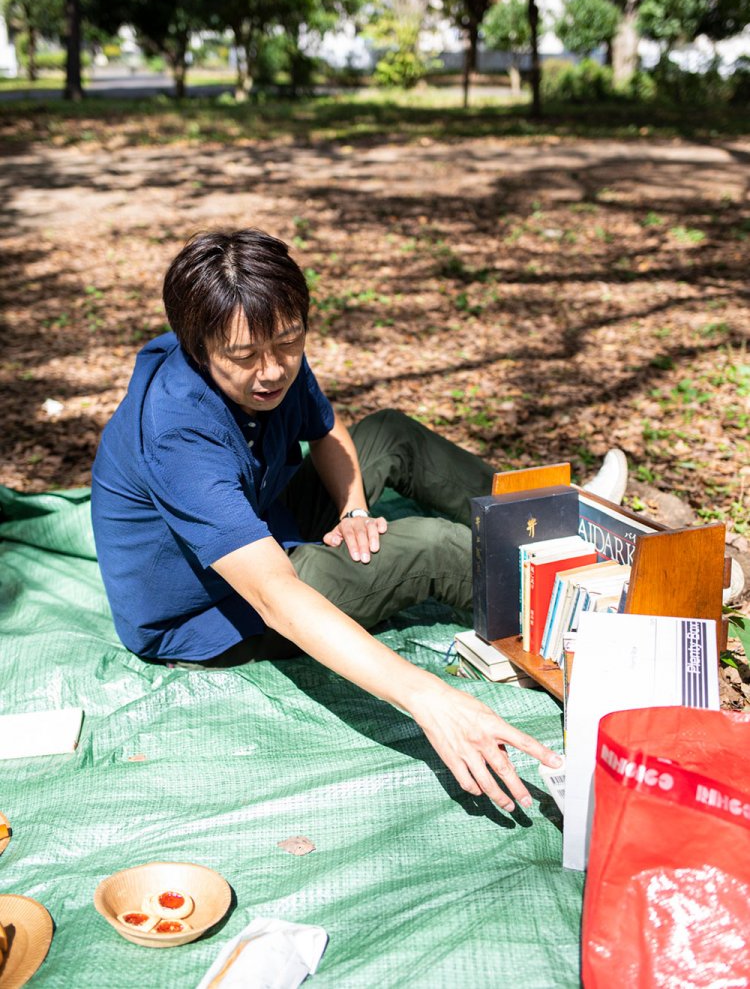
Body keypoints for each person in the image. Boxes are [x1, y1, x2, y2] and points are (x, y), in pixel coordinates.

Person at [92, 226, 619, 812]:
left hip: (269, 515)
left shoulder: (260, 327)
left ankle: (571, 516)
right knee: (432, 549)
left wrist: (354, 507)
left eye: (289, 343)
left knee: (392, 433)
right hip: (215, 610)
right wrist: (430, 698)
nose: (272, 371)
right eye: (245, 358)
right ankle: (595, 623)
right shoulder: (177, 435)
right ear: (198, 348)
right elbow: (273, 596)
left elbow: (327, 428)